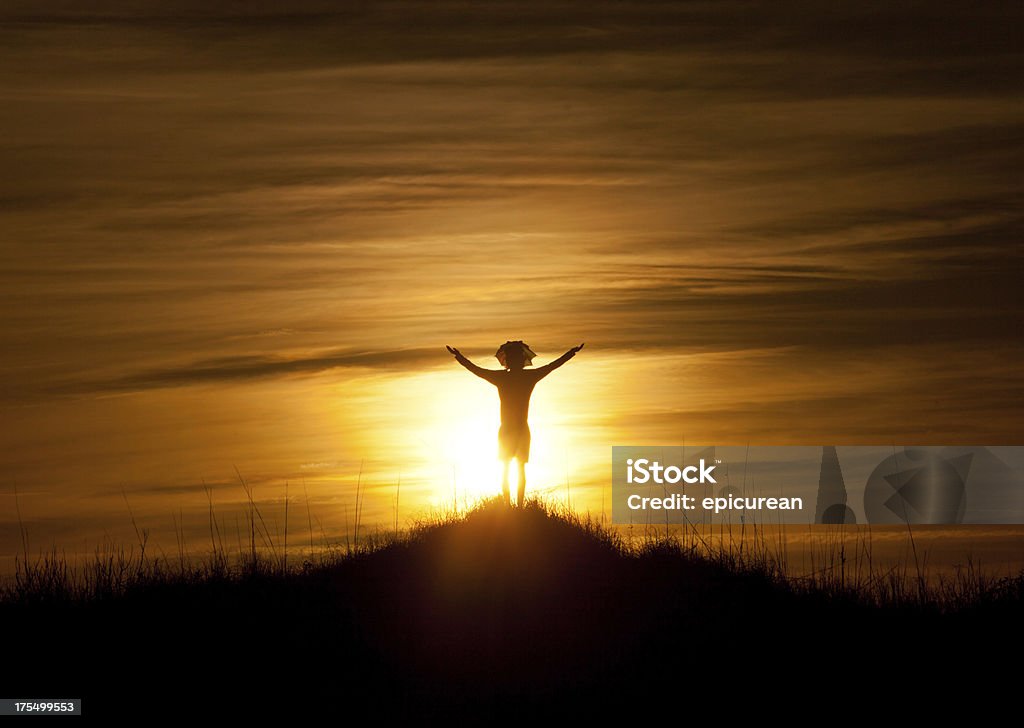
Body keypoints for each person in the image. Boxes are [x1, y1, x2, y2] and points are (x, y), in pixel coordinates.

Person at [446, 340, 584, 507]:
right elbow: (477, 370)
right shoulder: (526, 377)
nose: (515, 361)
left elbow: (552, 366)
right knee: (511, 469)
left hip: (514, 430)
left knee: (514, 468)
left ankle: (514, 505)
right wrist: (459, 357)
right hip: (513, 430)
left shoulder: (506, 377)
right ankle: (511, 505)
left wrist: (571, 353)